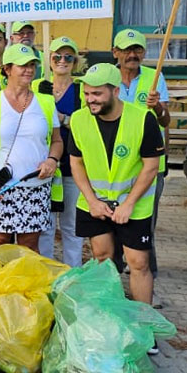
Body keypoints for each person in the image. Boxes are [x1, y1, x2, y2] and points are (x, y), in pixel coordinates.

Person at [67, 64, 164, 311]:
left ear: (116, 91)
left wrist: (128, 204)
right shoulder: (79, 119)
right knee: (102, 258)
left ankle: (144, 324)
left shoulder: (143, 119)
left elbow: (151, 166)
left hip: (134, 205)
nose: (91, 100)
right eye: (87, 93)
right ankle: (108, 317)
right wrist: (91, 201)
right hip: (96, 202)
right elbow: (76, 163)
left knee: (138, 262)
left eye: (97, 94)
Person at [0, 45, 61, 251]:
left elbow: (57, 141)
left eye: (32, 65)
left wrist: (52, 160)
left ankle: (23, 284)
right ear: (7, 69)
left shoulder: (46, 102)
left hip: (35, 186)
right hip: (0, 186)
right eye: (23, 65)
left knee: (29, 245)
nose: (29, 70)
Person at [112, 29, 172, 276]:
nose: (132, 54)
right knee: (112, 226)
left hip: (147, 167)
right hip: (114, 166)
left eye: (137, 49)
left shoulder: (155, 77)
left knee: (144, 226)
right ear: (115, 52)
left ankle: (148, 279)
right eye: (126, 49)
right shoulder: (108, 77)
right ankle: (112, 281)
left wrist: (158, 106)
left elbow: (166, 120)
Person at [35, 37, 84, 266]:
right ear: (49, 60)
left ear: (75, 62)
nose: (62, 61)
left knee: (71, 225)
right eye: (57, 56)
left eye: (68, 57)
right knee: (44, 225)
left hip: (72, 166)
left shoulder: (82, 90)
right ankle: (46, 273)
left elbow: (87, 125)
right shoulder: (37, 87)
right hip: (43, 167)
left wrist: (62, 118)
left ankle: (72, 274)